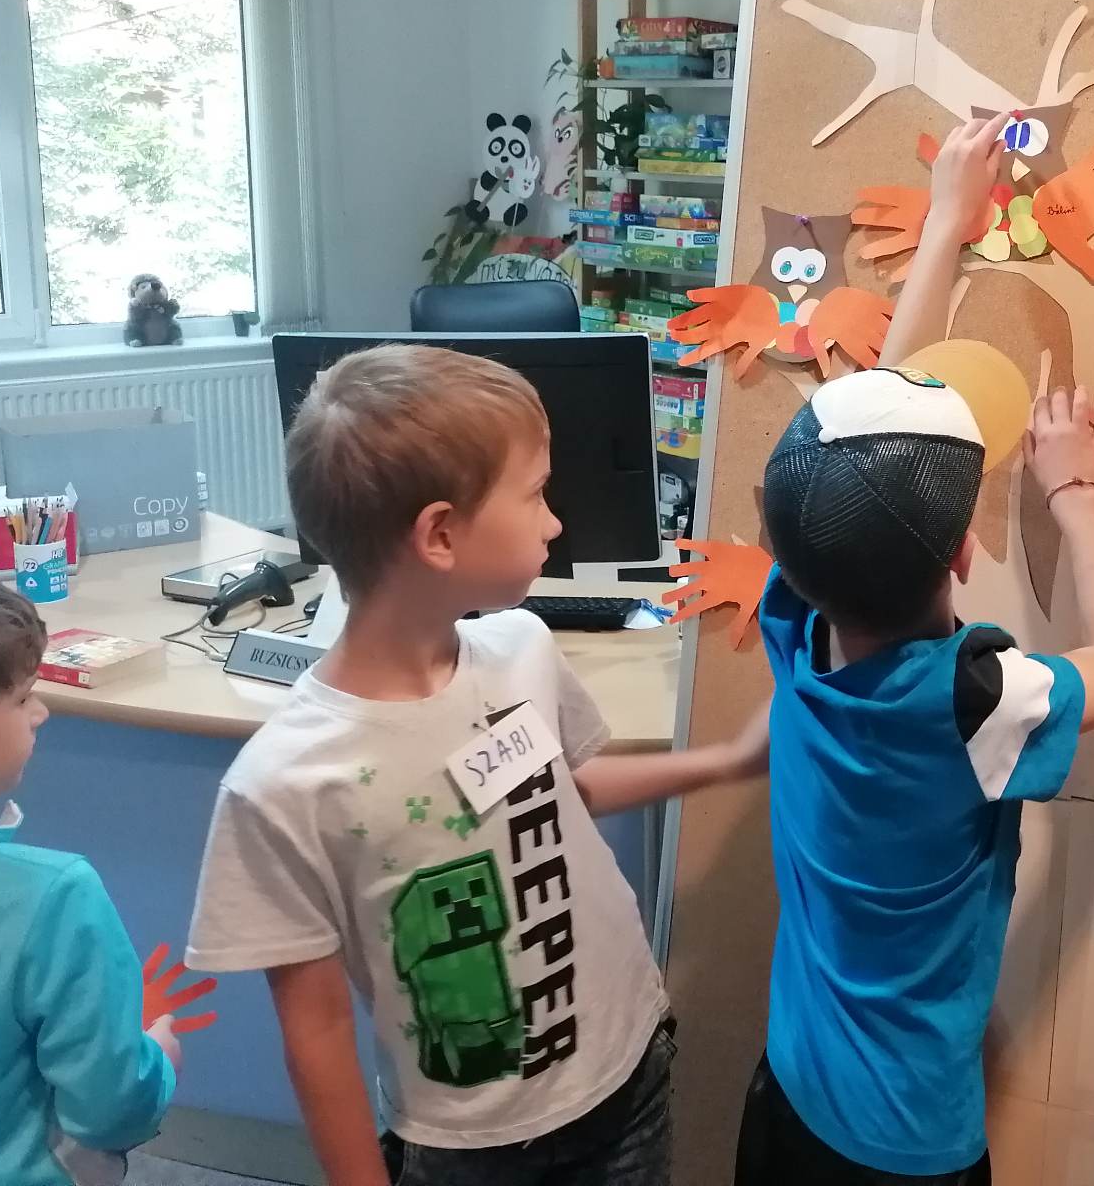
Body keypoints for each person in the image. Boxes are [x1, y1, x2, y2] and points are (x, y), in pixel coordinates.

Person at [186, 345, 767, 1186]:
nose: (554, 523)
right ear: (441, 534)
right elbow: (315, 1032)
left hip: (626, 1074)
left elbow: (563, 791)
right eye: (535, 495)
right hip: (470, 1147)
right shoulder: (282, 785)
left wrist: (726, 762)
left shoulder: (521, 648)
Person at [732, 112, 1094, 1184]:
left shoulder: (798, 627)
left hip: (788, 1091)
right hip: (906, 1144)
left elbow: (862, 442)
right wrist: (1075, 493)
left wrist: (943, 229)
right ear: (967, 553)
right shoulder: (975, 701)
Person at [0, 562, 201, 1186]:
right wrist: (158, 1058)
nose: (41, 713)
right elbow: (109, 1110)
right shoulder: (52, 897)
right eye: (23, 697)